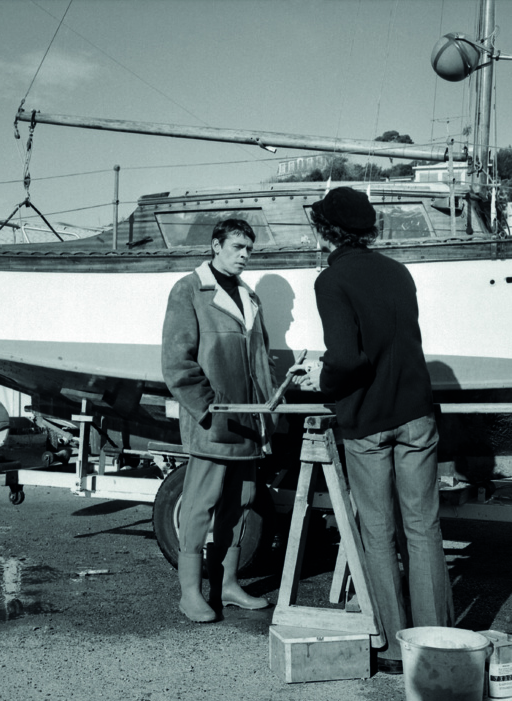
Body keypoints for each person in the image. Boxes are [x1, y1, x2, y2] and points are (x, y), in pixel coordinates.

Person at [292, 186, 453, 673]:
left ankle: (391, 645)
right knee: (424, 527)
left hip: (370, 421)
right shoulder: (399, 271)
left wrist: (320, 377)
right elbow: (397, 343)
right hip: (416, 412)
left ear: (325, 231)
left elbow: (348, 359)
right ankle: (437, 638)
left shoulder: (331, 281)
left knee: (378, 531)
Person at [161, 218, 276, 622]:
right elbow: (177, 364)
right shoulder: (189, 290)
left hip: (247, 422)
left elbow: (260, 364)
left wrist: (267, 415)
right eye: (237, 247)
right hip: (212, 421)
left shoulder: (250, 297)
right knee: (200, 506)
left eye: (249, 249)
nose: (245, 255)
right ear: (215, 246)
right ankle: (190, 593)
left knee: (241, 504)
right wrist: (208, 408)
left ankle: (227, 586)